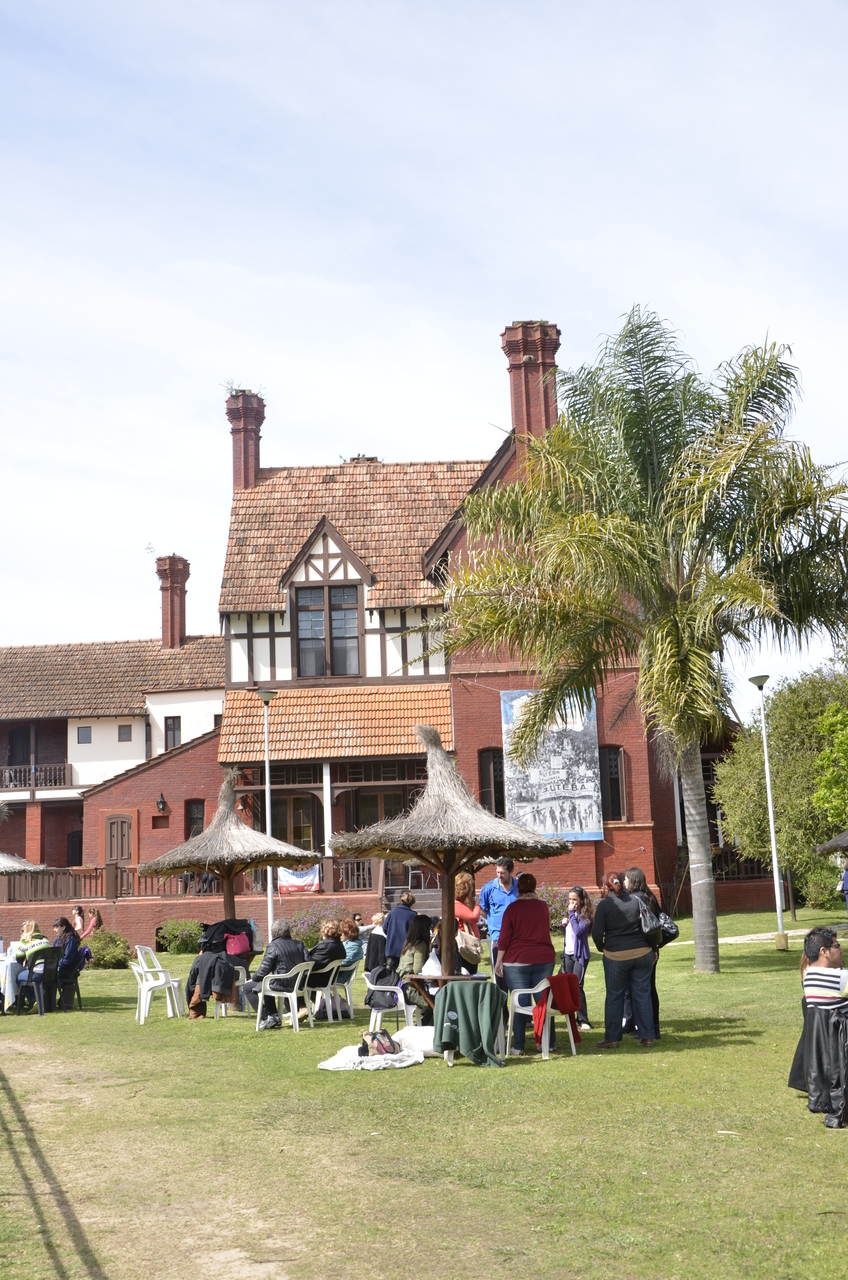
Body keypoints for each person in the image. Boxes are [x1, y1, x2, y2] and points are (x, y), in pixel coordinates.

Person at [591, 872, 656, 1048]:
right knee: (642, 995)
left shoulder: (605, 905)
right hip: (642, 953)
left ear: (606, 886)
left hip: (616, 956)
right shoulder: (637, 900)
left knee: (614, 996)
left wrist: (602, 948)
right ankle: (647, 1037)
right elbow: (649, 925)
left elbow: (596, 933)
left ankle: (612, 1038)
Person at [494, 873, 556, 1055]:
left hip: (517, 960)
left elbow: (504, 938)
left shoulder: (512, 909)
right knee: (543, 1001)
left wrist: (498, 960)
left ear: (517, 888)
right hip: (544, 957)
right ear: (534, 886)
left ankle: (519, 1045)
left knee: (519, 1002)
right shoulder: (543, 906)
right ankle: (547, 1042)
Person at [243, 919, 308, 1030]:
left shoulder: (273, 946)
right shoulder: (299, 944)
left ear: (274, 932)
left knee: (247, 987)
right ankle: (274, 1015)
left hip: (281, 983)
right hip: (298, 984)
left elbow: (263, 970)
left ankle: (266, 1016)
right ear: (288, 931)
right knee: (266, 981)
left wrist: (252, 978)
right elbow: (309, 961)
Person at [622, 867, 661, 1041]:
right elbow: (657, 923)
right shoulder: (650, 897)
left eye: (626, 879)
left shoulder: (634, 899)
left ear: (632, 880)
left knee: (638, 990)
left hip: (639, 949)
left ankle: (642, 1027)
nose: (624, 882)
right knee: (650, 988)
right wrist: (655, 948)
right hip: (652, 947)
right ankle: (654, 1026)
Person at [478, 857, 519, 974]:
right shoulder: (488, 888)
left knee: (516, 973)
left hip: (517, 936)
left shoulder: (520, 887)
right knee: (499, 972)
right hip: (497, 936)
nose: (499, 876)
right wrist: (492, 920)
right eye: (497, 872)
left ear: (511, 872)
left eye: (503, 873)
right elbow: (482, 909)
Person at [561, 885, 593, 1030]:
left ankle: (583, 1019)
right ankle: (572, 1018)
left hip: (580, 955)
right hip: (568, 954)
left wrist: (571, 915)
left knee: (577, 986)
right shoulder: (572, 915)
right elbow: (570, 934)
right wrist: (565, 924)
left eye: (574, 899)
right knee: (569, 986)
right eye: (569, 899)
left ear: (581, 900)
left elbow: (578, 931)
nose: (571, 902)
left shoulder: (586, 916)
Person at [396, 914, 435, 1024]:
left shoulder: (409, 943)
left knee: (437, 1003)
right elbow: (418, 970)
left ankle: (423, 1025)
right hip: (412, 991)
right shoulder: (420, 944)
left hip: (402, 989)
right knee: (442, 1002)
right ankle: (428, 1028)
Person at [454, 872, 481, 975]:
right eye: (471, 887)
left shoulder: (461, 904)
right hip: (464, 945)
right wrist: (477, 904)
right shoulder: (457, 905)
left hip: (467, 945)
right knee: (468, 972)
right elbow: (474, 918)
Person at [383, 891, 417, 966]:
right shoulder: (413, 915)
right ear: (412, 902)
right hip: (406, 948)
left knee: (393, 971)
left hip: (392, 947)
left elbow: (384, 928)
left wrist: (391, 935)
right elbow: (415, 933)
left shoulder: (393, 912)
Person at [53, 917, 81, 982]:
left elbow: (67, 960)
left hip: (68, 970)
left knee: (46, 975)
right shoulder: (58, 940)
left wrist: (55, 965)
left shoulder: (70, 940)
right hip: (59, 968)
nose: (54, 930)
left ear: (63, 927)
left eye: (56, 927)